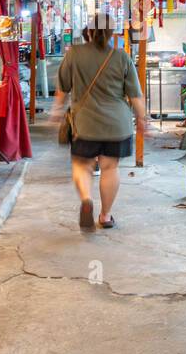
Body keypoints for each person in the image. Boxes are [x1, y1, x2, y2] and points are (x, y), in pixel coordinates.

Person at [53, 19, 147, 230]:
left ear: (88, 31)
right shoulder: (121, 56)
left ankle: (87, 198)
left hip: (85, 123)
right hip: (117, 125)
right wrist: (142, 119)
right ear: (112, 32)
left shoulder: (74, 53)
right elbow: (135, 95)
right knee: (110, 167)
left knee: (82, 166)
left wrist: (57, 110)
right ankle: (105, 216)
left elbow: (63, 88)